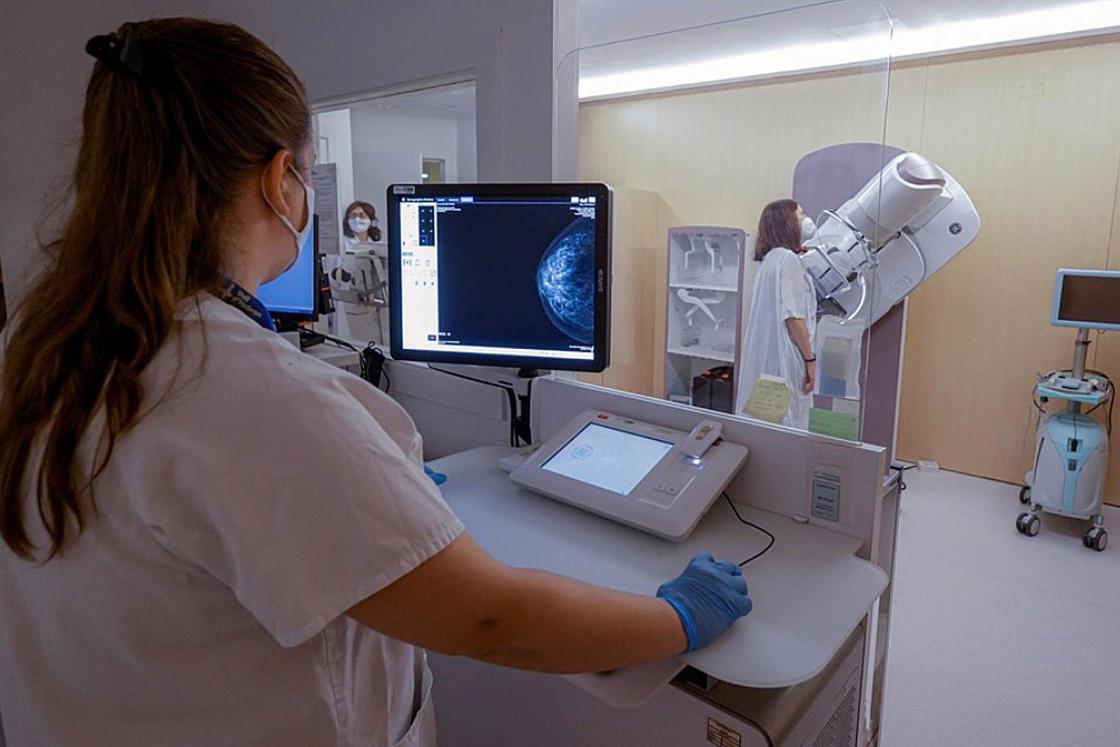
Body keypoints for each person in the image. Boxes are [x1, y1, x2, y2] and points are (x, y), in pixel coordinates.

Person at [0, 19, 751, 746]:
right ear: (280, 182)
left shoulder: (39, 337)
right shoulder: (245, 392)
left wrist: (356, 478)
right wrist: (675, 616)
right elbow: (487, 618)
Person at [737, 199, 819, 429]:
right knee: (788, 425)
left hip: (768, 362)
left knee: (766, 425)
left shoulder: (769, 260)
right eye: (801, 215)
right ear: (787, 222)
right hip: (787, 359)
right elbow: (793, 317)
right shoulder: (788, 259)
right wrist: (810, 359)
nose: (807, 221)